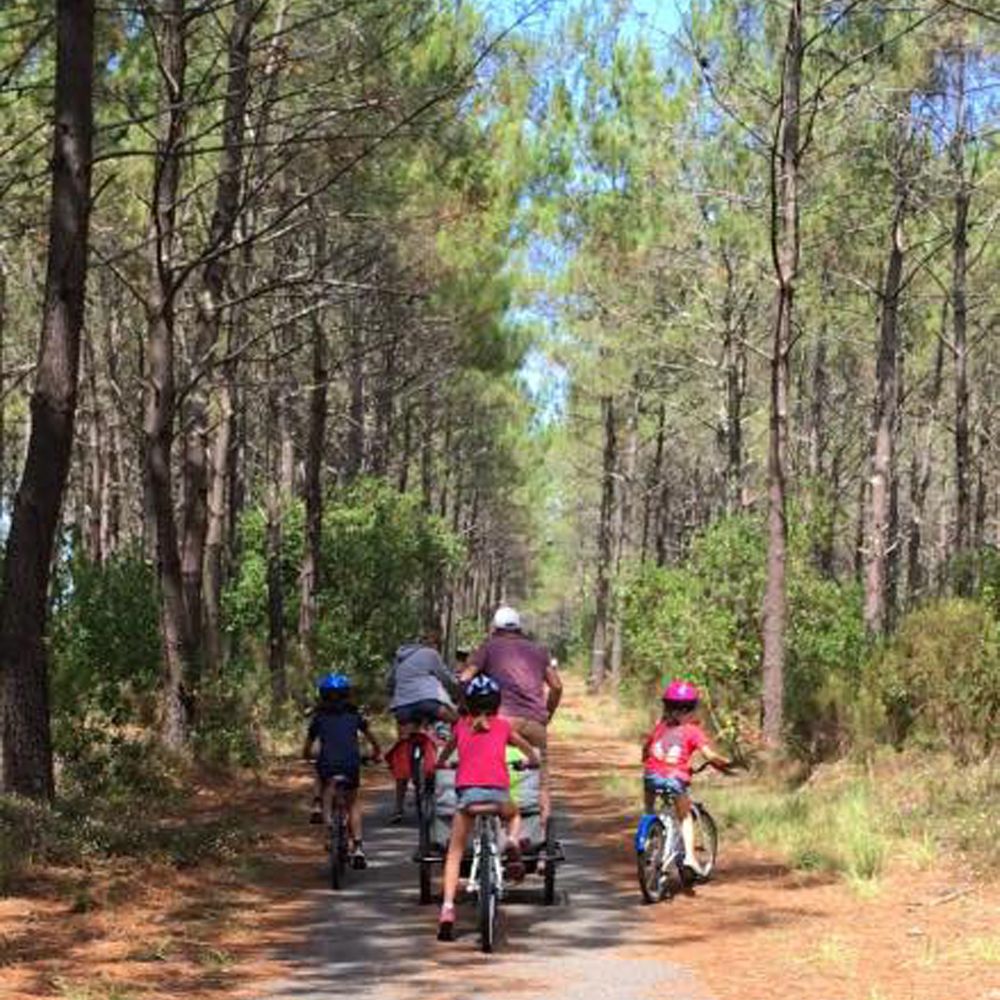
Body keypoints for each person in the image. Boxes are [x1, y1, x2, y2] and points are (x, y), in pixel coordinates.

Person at [435, 675, 540, 942]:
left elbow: (445, 755)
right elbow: (529, 752)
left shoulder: (460, 727)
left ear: (468, 704)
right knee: (514, 815)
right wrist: (531, 762)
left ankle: (447, 909)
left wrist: (443, 765)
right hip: (497, 797)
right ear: (497, 704)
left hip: (468, 799)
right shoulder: (503, 727)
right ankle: (512, 841)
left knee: (455, 853)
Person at [463, 605, 562, 824]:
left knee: (486, 769)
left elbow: (465, 678)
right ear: (519, 628)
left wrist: (468, 709)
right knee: (541, 776)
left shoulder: (487, 648)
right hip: (533, 722)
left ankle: (485, 827)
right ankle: (542, 835)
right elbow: (556, 686)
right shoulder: (539, 650)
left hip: (500, 721)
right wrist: (547, 714)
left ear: (495, 628)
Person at [641, 679, 730, 877]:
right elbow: (709, 755)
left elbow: (647, 748)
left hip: (651, 776)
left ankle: (648, 826)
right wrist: (724, 762)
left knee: (649, 806)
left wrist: (644, 759)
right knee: (685, 817)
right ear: (691, 709)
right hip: (675, 778)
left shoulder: (660, 727)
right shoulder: (693, 731)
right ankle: (689, 856)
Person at [303, 673, 382, 869]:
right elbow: (373, 740)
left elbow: (307, 747)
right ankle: (358, 848)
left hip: (327, 764)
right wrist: (376, 754)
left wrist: (306, 756)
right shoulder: (355, 717)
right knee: (353, 802)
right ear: (347, 695)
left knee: (326, 785)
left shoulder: (319, 719)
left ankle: (328, 823)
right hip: (350, 764)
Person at [386, 629, 459, 822]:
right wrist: (458, 687)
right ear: (433, 643)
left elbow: (390, 681)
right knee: (457, 721)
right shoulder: (431, 654)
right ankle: (452, 761)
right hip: (427, 702)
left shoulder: (400, 656)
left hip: (402, 707)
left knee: (404, 749)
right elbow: (445, 678)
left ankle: (398, 808)